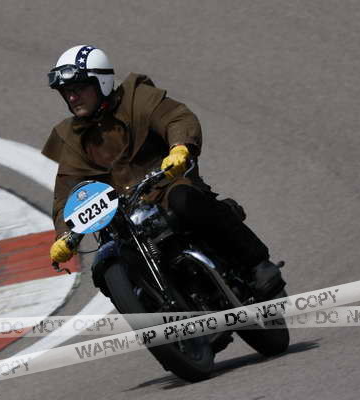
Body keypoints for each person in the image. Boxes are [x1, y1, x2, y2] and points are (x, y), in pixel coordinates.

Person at [42, 45, 284, 300]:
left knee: (184, 201)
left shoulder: (136, 98)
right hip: (121, 219)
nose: (72, 98)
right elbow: (66, 195)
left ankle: (256, 263)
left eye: (79, 88)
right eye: (67, 92)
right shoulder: (70, 138)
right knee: (105, 266)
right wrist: (64, 235)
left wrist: (179, 147)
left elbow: (176, 118)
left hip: (165, 188)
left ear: (101, 82)